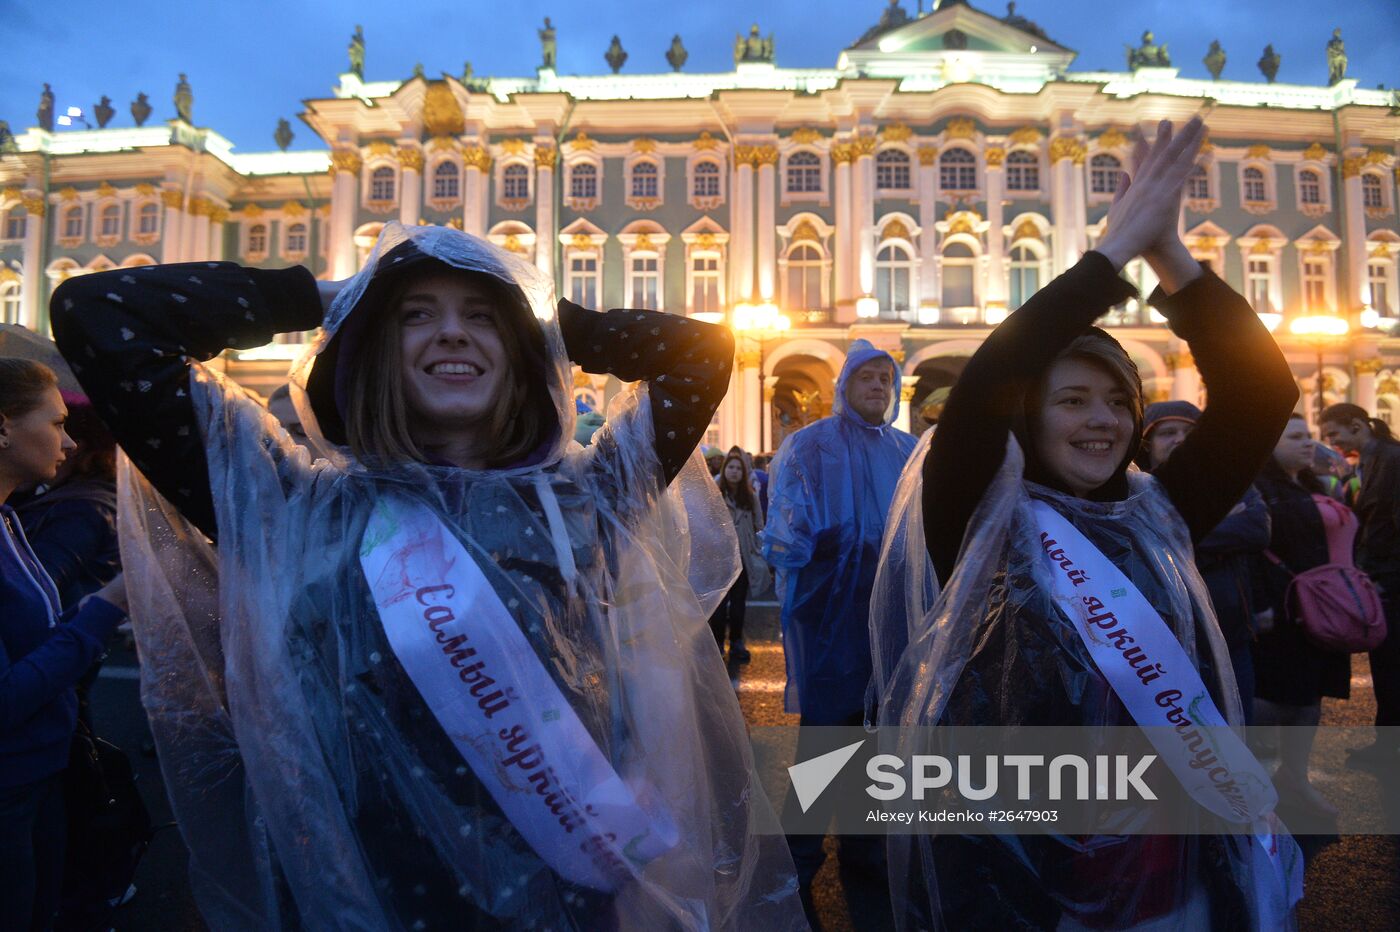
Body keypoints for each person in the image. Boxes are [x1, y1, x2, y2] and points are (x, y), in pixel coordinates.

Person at [51, 223, 805, 929]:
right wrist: (338, 294)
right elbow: (100, 311)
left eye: (482, 318)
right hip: (364, 896)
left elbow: (703, 351)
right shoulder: (289, 504)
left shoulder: (586, 498)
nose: (452, 331)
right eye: (414, 316)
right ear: (370, 350)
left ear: (521, 355)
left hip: (565, 888)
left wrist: (543, 312)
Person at [873, 119, 1303, 928]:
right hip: (1019, 866)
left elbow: (1259, 393)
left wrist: (1170, 256)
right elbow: (985, 385)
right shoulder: (975, 514)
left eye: (1117, 402)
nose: (1102, 421)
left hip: (1162, 861)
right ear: (1026, 415)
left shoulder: (1157, 513)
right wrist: (1109, 258)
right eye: (1071, 401)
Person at [763, 338, 917, 916]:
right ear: (844, 385)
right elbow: (788, 532)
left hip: (892, 634)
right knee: (825, 753)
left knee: (877, 763)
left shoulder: (907, 451)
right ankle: (793, 880)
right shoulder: (810, 445)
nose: (877, 387)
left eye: (885, 378)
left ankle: (869, 882)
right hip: (831, 627)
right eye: (867, 377)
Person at [1, 358, 128, 932]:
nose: (71, 440)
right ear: (3, 428)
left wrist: (104, 605)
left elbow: (33, 636)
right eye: (55, 423)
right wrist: (106, 609)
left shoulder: (9, 519)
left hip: (36, 776)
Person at [1138, 400, 1270, 722]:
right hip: (1165, 647)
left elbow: (1256, 529)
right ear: (1147, 444)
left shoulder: (1235, 483)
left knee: (1237, 736)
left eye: (1190, 432)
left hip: (1231, 636)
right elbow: (1143, 541)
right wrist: (1223, 532)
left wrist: (1177, 533)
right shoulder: (1136, 492)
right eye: (1168, 432)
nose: (1180, 439)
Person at [1252, 413, 1352, 816]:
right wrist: (1262, 604)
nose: (1308, 443)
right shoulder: (1259, 487)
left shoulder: (1311, 482)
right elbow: (1253, 550)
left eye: (1309, 436)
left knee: (1310, 694)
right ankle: (1255, 789)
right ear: (1270, 444)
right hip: (1281, 608)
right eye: (1295, 437)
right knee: (1271, 695)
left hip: (1322, 606)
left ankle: (1295, 778)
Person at [1319, 403, 1400, 769]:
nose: (1334, 443)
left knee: (1391, 668)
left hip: (1391, 581)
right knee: (1388, 668)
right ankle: (1384, 744)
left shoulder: (1391, 459)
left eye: (1335, 434)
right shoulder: (1372, 459)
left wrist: (1384, 577)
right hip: (1382, 579)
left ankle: (1386, 749)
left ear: (1356, 426)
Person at [710, 448, 765, 664]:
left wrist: (758, 551)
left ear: (744, 472)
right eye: (731, 468)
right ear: (725, 470)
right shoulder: (714, 495)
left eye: (738, 468)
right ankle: (717, 644)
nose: (734, 472)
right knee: (720, 604)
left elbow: (759, 525)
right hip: (720, 557)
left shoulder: (750, 497)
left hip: (743, 557)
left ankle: (736, 642)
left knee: (739, 603)